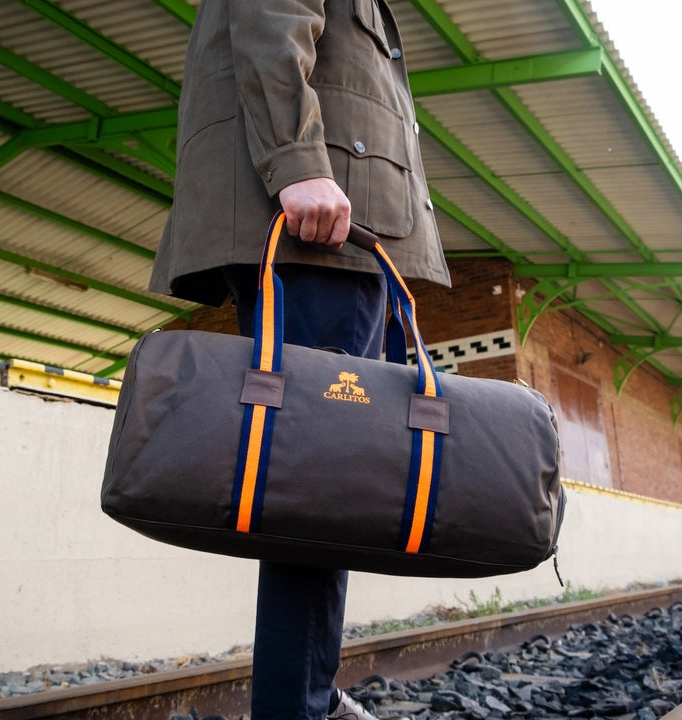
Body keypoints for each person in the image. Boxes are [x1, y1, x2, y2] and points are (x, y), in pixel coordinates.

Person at [149, 3, 450, 720]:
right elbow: (269, 15)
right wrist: (297, 161)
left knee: (318, 472)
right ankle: (298, 706)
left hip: (335, 220)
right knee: (319, 473)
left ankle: (305, 693)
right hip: (320, 224)